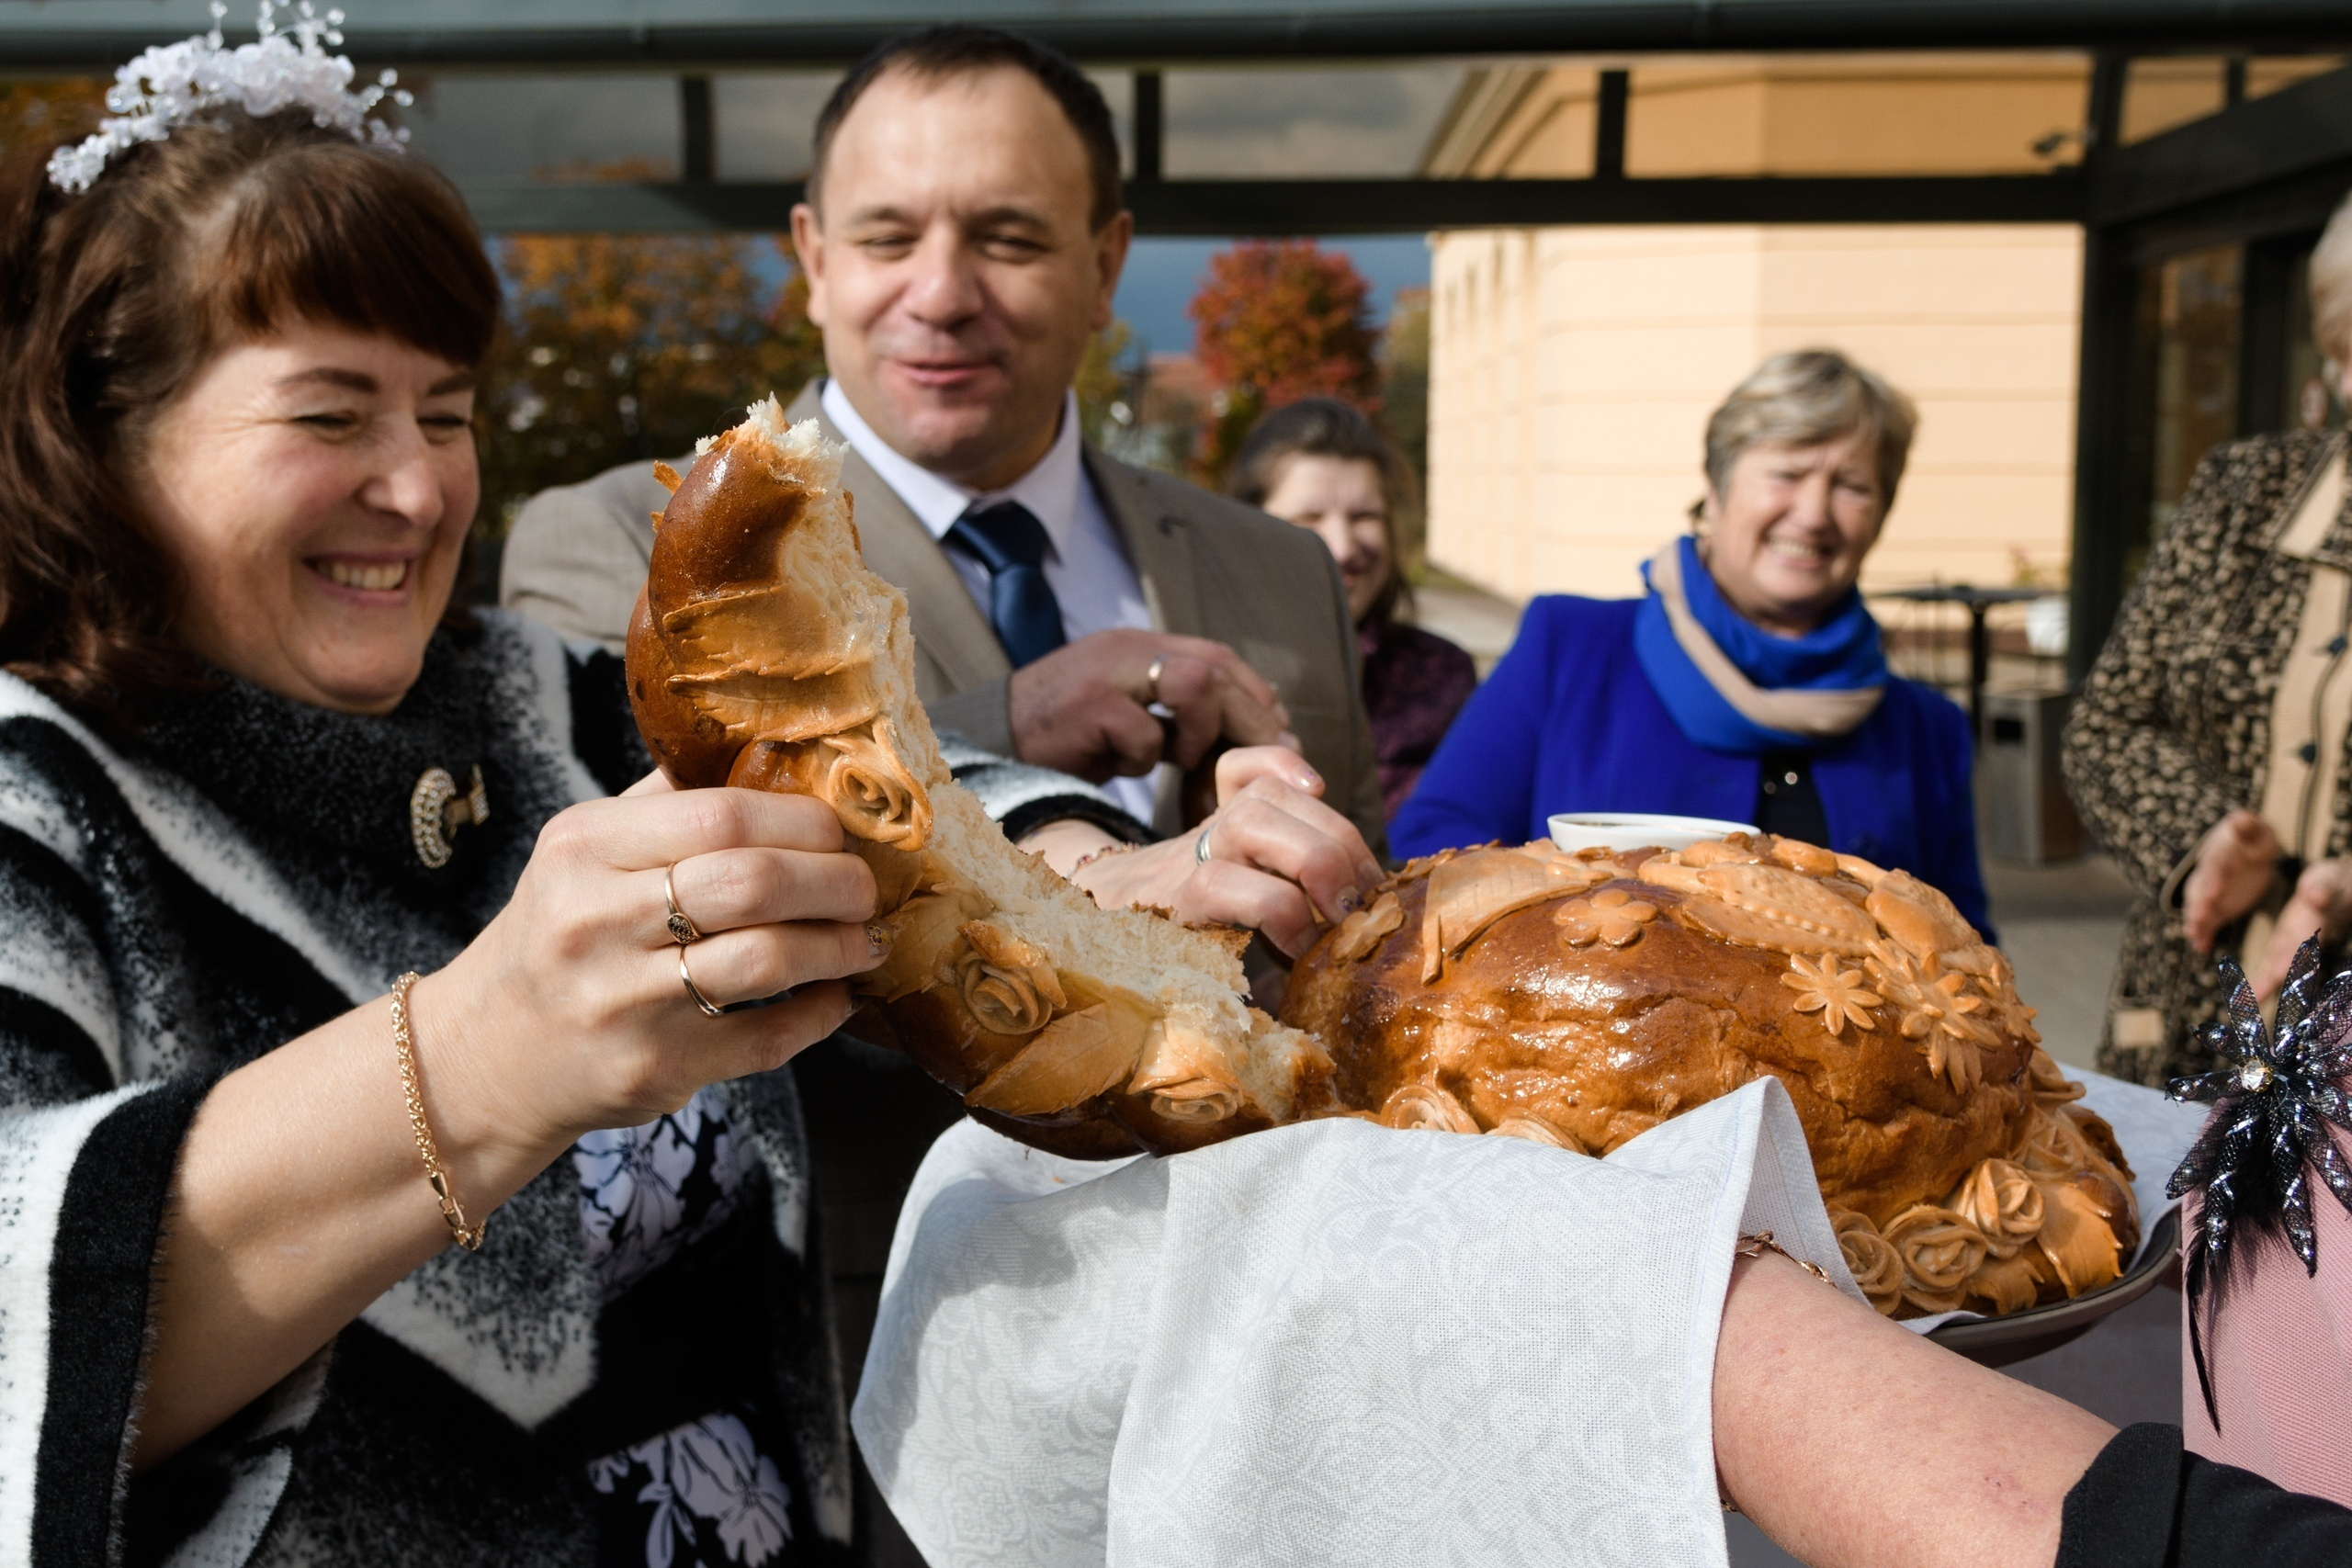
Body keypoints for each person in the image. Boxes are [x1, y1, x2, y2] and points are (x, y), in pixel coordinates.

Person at [0, 32, 1375, 1562]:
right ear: (107, 436)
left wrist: (1092, 873)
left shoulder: (535, 701)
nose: (418, 485)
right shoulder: (33, 804)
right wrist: (482, 1056)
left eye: (445, 413)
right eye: (332, 416)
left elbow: (885, 793)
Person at [500, 27, 1384, 853]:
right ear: (814, 262)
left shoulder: (1289, 574)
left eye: (1009, 239)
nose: (941, 294)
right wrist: (1011, 723)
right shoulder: (626, 548)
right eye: (887, 237)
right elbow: (655, 878)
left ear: (1106, 267)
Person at [1391, 348, 1993, 936]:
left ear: (1882, 513)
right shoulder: (1570, 647)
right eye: (1786, 473)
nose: (1813, 513)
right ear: (1717, 486)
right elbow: (1436, 848)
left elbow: (1965, 947)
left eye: (1852, 486)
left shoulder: (1927, 730)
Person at [2064, 191, 2352, 1088]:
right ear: (2338, 360)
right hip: (2188, 1016)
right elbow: (2105, 725)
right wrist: (2201, 837)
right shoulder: (2241, 493)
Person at [1226, 398, 1476, 820]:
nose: (1342, 547)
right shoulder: (1217, 678)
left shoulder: (1443, 674)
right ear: (1246, 528)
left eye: (1364, 516)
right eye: (1310, 516)